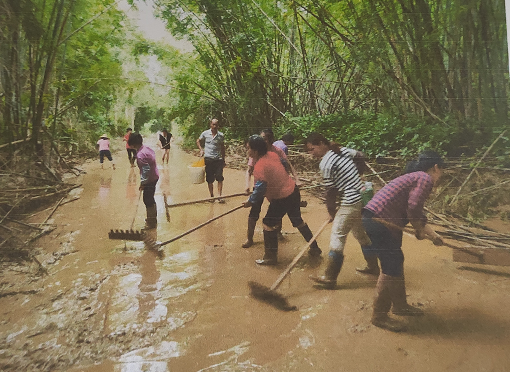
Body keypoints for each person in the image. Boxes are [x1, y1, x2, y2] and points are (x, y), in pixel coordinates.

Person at [362, 150, 444, 332]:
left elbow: (417, 213)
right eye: (442, 172)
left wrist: (433, 236)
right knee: (391, 265)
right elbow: (414, 207)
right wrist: (417, 229)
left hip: (378, 219)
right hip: (379, 221)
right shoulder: (424, 178)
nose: (440, 177)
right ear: (436, 167)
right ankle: (379, 316)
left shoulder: (414, 177)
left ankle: (400, 305)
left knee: (396, 260)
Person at [304, 133, 373, 289]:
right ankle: (373, 267)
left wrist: (331, 212)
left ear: (321, 143)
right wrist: (358, 173)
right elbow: (361, 156)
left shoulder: (326, 163)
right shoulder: (342, 150)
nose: (311, 154)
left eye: (312, 149)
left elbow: (330, 191)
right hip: (360, 197)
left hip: (351, 200)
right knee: (359, 233)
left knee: (337, 235)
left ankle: (330, 277)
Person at [242, 135, 321, 265]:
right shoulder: (272, 155)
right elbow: (284, 165)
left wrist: (250, 201)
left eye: (248, 148)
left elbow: (260, 189)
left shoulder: (260, 166)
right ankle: (315, 247)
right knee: (297, 221)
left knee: (268, 223)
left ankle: (270, 257)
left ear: (255, 151)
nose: (247, 151)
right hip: (293, 190)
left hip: (282, 197)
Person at [243, 128, 300, 248]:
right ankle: (249, 238)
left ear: (270, 140)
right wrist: (247, 186)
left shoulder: (276, 152)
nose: (263, 141)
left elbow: (287, 166)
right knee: (254, 212)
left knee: (275, 211)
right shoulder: (255, 153)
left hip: (273, 187)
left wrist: (295, 180)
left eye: (265, 138)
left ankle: (277, 233)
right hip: (260, 186)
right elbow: (249, 171)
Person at [127, 133, 160, 229]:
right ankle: (152, 219)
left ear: (133, 145)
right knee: (150, 198)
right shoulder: (146, 148)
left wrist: (143, 183)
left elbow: (146, 170)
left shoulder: (140, 155)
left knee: (148, 200)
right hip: (155, 176)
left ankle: (151, 222)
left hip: (150, 179)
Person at [196, 119, 226, 202]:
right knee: (209, 178)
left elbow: (223, 148)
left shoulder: (221, 135)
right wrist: (201, 150)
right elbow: (198, 141)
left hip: (218, 159)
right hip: (208, 159)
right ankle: (212, 196)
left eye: (216, 125)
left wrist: (223, 159)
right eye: (213, 124)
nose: (215, 126)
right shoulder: (205, 133)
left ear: (218, 125)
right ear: (210, 125)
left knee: (219, 177)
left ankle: (219, 196)